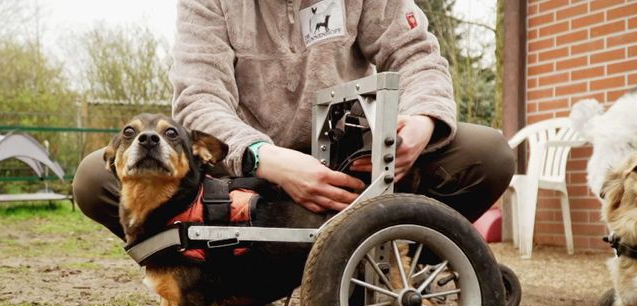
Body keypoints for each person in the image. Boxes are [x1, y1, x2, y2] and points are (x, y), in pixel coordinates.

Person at [73, 0, 515, 238]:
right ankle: (217, 282)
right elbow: (199, 98)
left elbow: (416, 56)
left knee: (486, 154)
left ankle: (378, 277)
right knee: (96, 178)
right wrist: (270, 159)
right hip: (247, 171)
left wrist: (421, 121)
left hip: (347, 163)